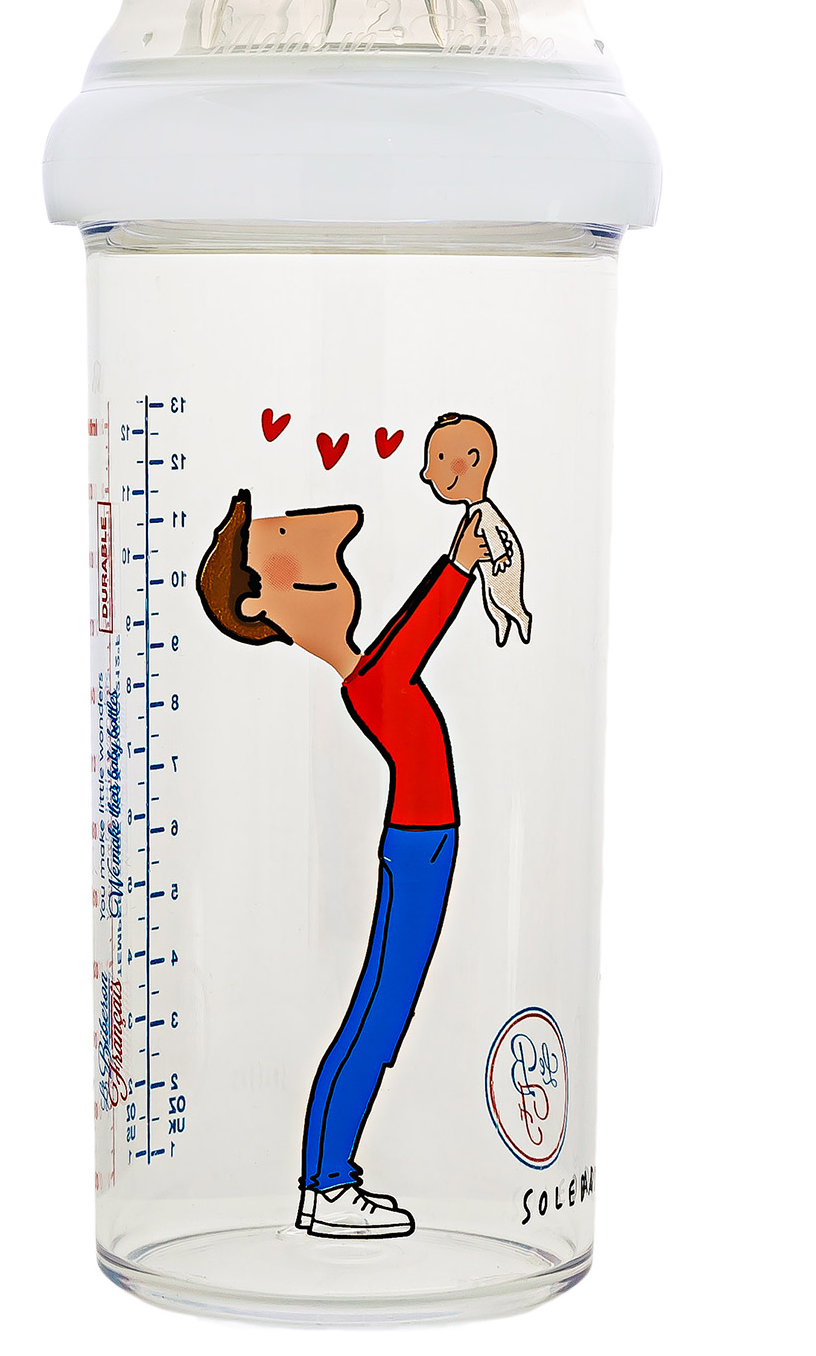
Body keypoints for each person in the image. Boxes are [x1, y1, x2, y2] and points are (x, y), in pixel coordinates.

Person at [196, 492, 490, 1237]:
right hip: (418, 849)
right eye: (281, 539)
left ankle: (327, 1180)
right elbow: (410, 644)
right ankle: (328, 1184)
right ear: (260, 605)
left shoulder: (369, 673)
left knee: (378, 1015)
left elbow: (400, 641)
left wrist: (456, 565)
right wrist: (456, 568)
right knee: (376, 1019)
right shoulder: (369, 683)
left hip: (424, 844)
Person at [419, 413, 532, 646]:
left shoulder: (483, 512)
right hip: (489, 569)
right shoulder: (472, 513)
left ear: (472, 459)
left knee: (504, 597)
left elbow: (494, 533)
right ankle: (503, 624)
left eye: (441, 458)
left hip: (502, 567)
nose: (427, 474)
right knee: (492, 601)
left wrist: (500, 557)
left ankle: (522, 618)